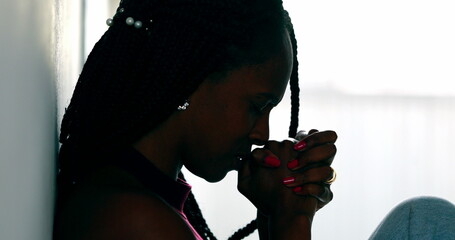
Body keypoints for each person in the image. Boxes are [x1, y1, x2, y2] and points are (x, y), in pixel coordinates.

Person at [53, 0, 337, 239]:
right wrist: (294, 221)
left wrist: (275, 211)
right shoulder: (134, 219)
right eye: (256, 107)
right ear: (191, 80)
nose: (263, 133)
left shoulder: (146, 195)